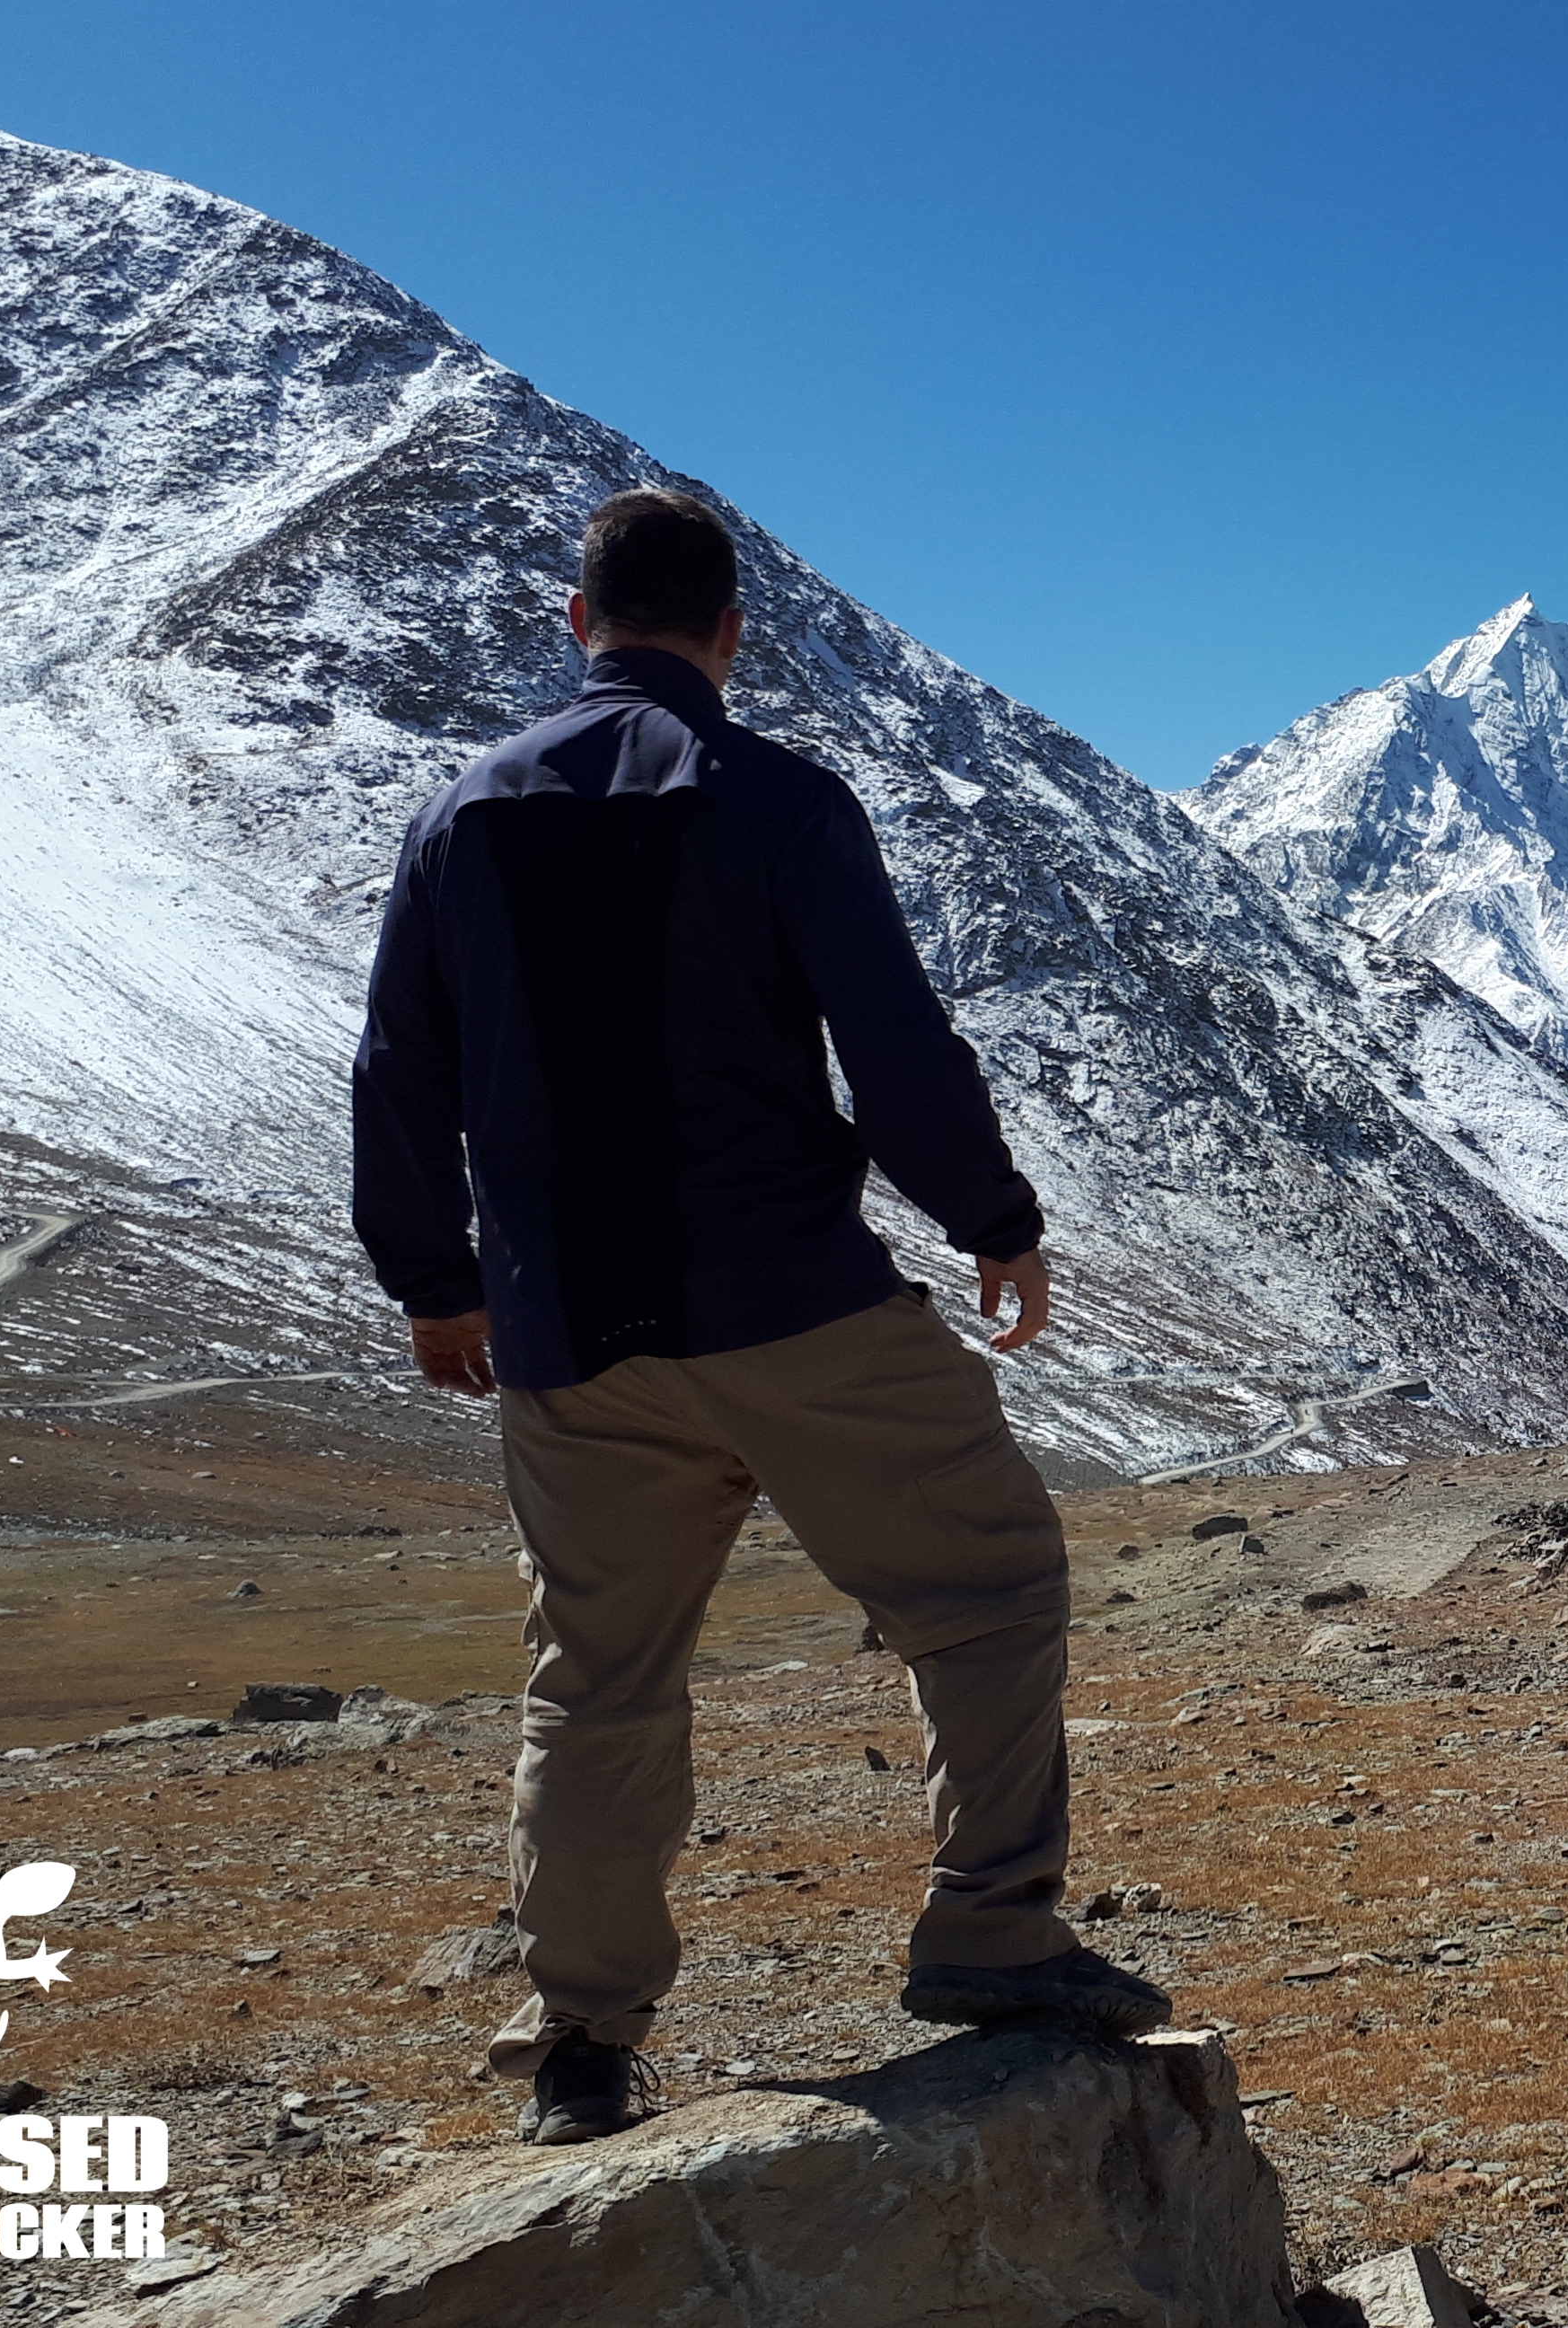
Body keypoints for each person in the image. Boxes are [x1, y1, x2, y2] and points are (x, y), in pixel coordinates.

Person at [348, 487, 1166, 2147]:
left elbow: (399, 1073)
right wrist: (994, 1223)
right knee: (989, 1583)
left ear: (575, 622)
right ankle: (990, 1932)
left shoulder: (459, 821)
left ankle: (581, 2041)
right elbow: (895, 1041)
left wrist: (434, 1281)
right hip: (792, 1303)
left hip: (571, 1333)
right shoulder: (779, 800)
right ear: (730, 635)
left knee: (598, 1677)